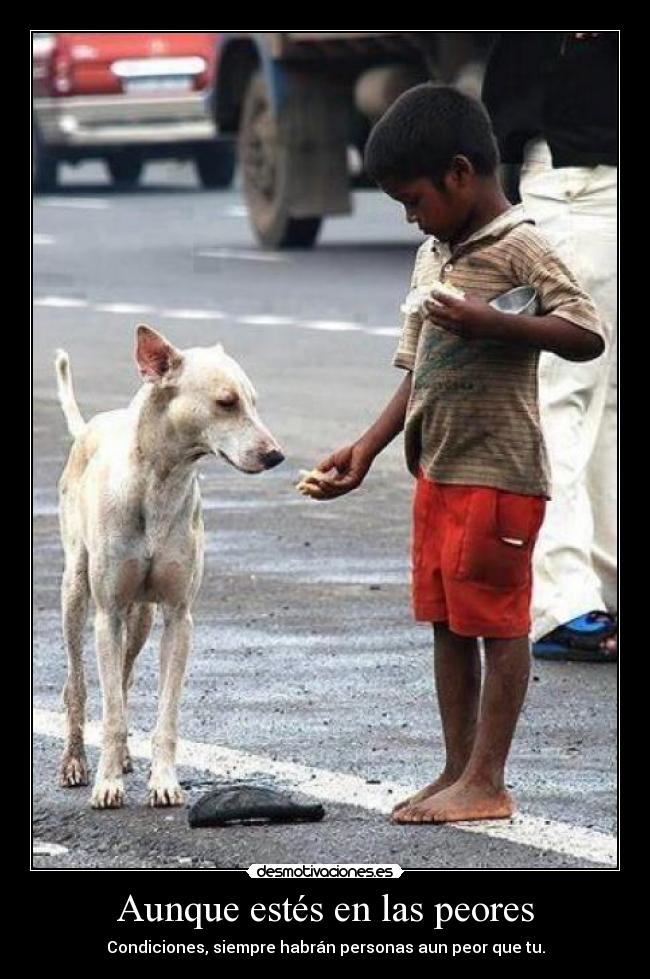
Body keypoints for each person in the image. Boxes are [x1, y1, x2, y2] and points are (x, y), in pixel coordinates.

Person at [303, 84, 604, 824]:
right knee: (447, 621)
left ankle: (489, 780)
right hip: (437, 469)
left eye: (414, 199)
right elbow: (419, 365)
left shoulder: (523, 243)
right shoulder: (434, 252)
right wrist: (367, 449)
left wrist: (495, 325)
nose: (411, 216)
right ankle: (456, 766)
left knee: (499, 626)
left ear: (460, 174)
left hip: (499, 474)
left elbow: (586, 330)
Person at [482, 32, 618, 661]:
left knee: (606, 399)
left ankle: (599, 583)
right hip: (580, 184)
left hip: (591, 178)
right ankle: (562, 601)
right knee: (569, 395)